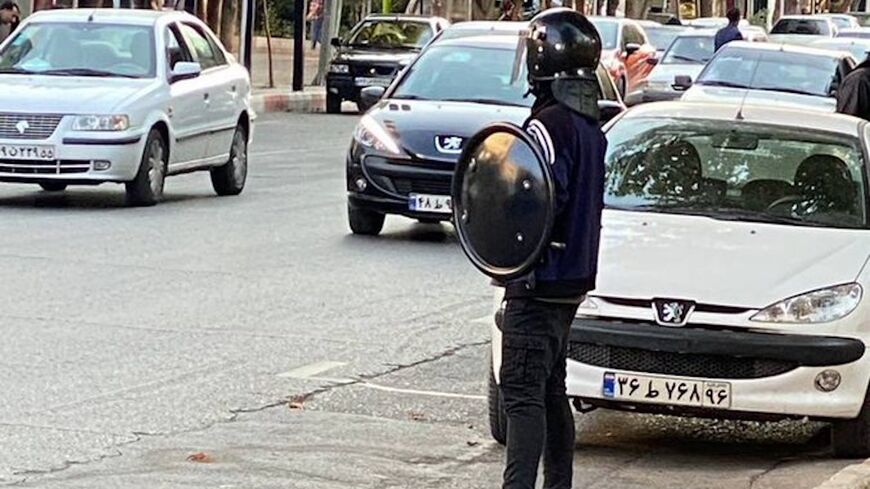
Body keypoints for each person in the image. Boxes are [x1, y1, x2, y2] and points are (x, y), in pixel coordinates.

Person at [500, 8, 607, 489]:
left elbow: (538, 199)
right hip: (571, 282)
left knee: (521, 394)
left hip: (539, 282)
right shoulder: (590, 128)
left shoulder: (548, 125)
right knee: (549, 390)